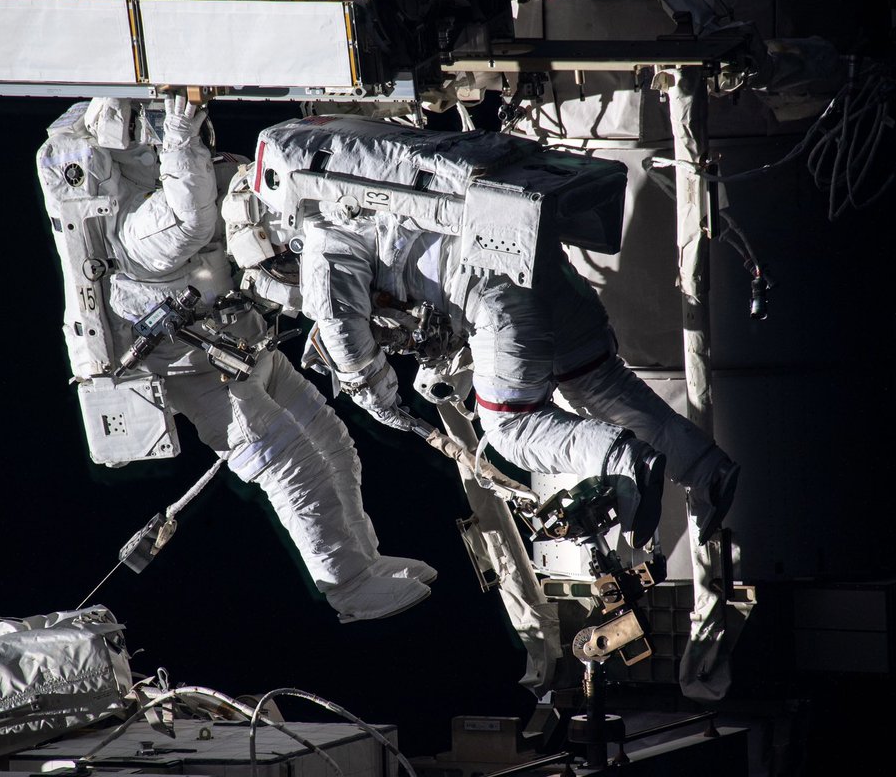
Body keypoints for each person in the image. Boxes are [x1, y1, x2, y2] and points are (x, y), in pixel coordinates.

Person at [226, 115, 739, 549]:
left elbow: (340, 332)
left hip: (493, 293)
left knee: (509, 429)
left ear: (279, 234)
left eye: (278, 266)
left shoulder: (322, 240)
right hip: (534, 260)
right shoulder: (369, 194)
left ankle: (620, 459)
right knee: (601, 385)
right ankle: (707, 471)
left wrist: (378, 397)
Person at [35, 96, 435, 623]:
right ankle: (348, 590)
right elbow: (190, 220)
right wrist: (177, 134)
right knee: (294, 470)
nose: (171, 132)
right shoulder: (132, 232)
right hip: (205, 377)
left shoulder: (174, 185)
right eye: (149, 127)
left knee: (333, 445)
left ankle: (366, 562)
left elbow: (236, 220)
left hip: (242, 350)